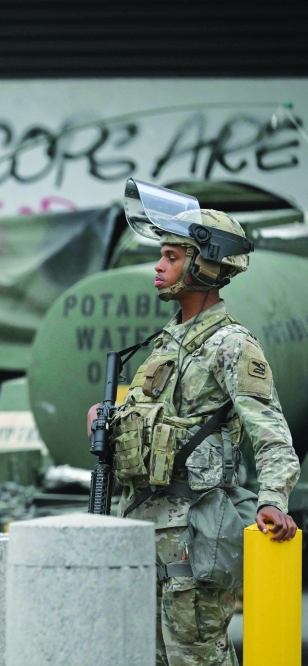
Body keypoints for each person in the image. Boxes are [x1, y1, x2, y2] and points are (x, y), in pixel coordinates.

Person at [88, 180, 300, 666]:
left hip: (193, 535)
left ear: (204, 264)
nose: (158, 267)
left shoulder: (231, 344)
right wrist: (107, 421)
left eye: (171, 256)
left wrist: (272, 500)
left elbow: (270, 433)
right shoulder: (163, 344)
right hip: (141, 525)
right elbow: (153, 422)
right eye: (160, 256)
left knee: (195, 658)